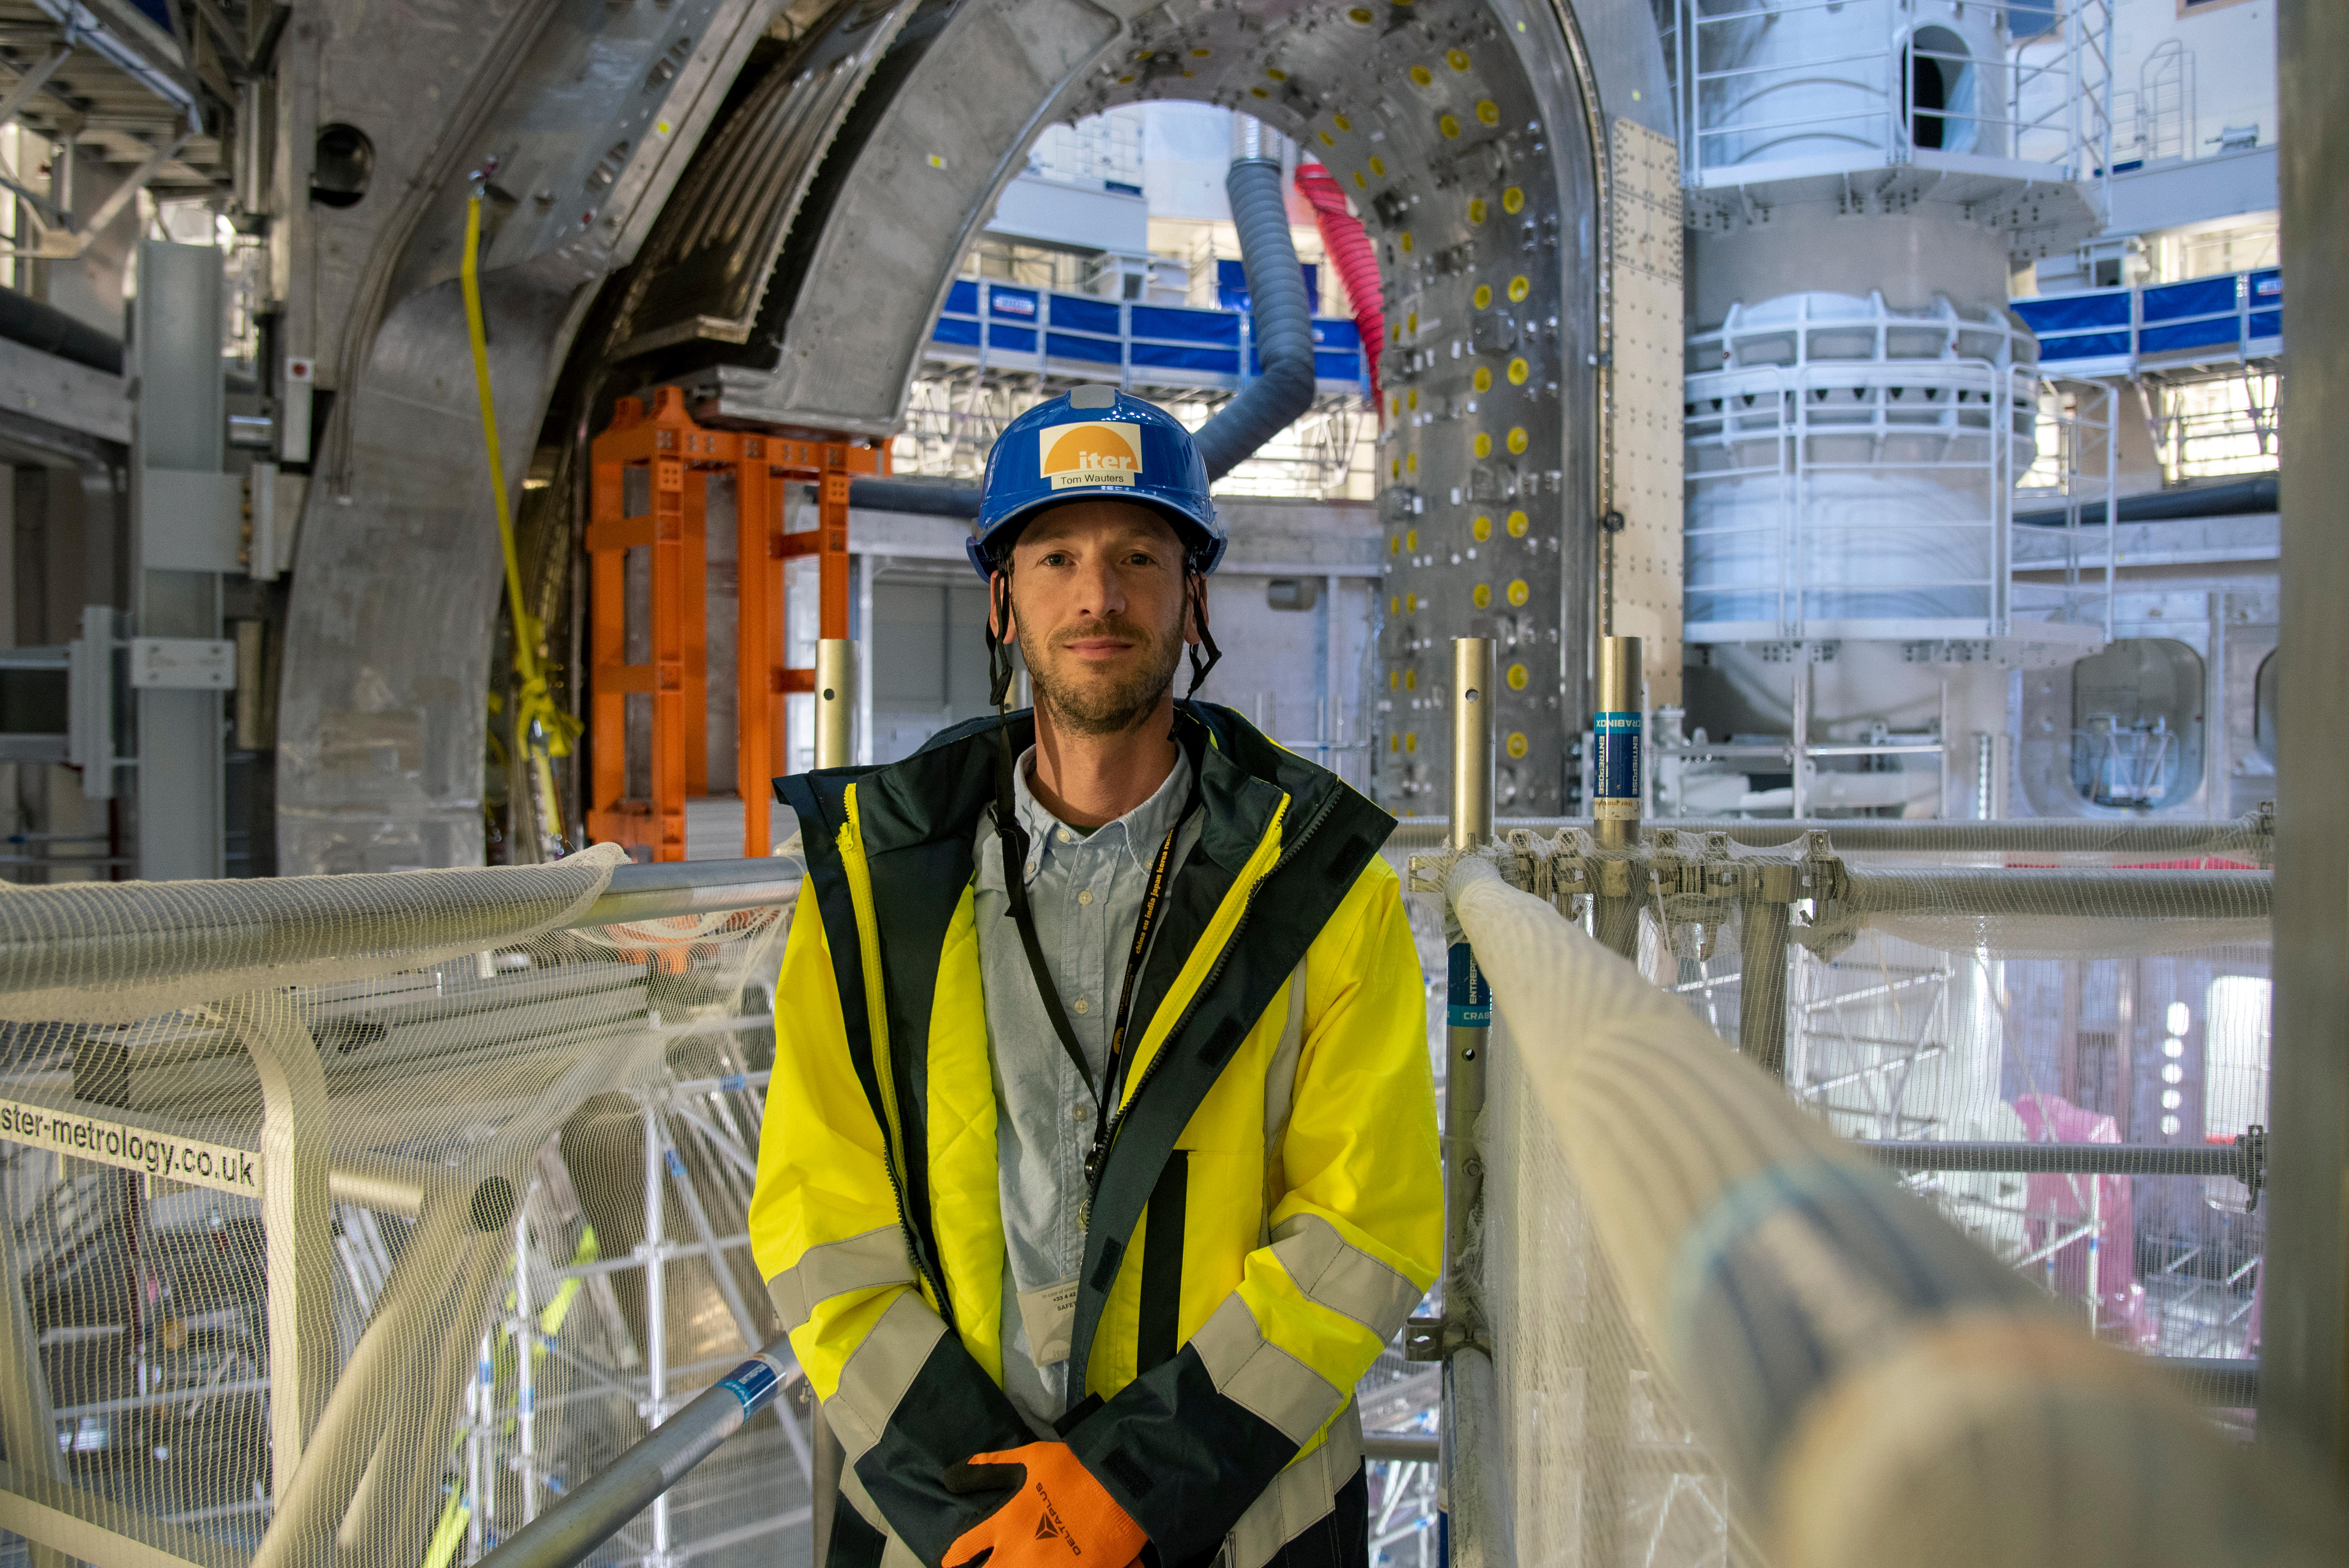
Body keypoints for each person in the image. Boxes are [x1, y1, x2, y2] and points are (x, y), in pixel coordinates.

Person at [750, 385, 1440, 1568]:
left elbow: (1363, 1227)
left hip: (1228, 1525)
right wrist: (993, 1514)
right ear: (1003, 597)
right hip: (953, 1531)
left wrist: (1124, 1495)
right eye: (1057, 554)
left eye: (1139, 555)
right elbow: (820, 1222)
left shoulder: (1324, 892)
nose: (1099, 594)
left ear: (1193, 594)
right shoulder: (871, 892)